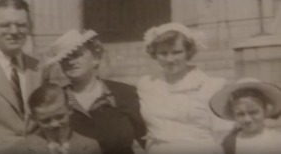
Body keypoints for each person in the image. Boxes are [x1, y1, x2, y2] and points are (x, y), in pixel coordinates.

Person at [46, 29, 147, 154]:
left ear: (95, 57)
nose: (70, 62)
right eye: (65, 58)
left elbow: (148, 140)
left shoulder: (125, 94)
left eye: (77, 55)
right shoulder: (56, 100)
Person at [137, 23, 225, 154]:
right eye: (163, 53)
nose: (170, 59)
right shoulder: (146, 84)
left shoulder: (211, 85)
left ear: (189, 52)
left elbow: (223, 133)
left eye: (177, 52)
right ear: (154, 54)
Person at [0, 0, 44, 153]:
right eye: (5, 25)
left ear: (29, 27)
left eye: (21, 25)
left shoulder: (40, 68)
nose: (14, 31)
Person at [209, 78, 281, 154]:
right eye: (240, 114)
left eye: (253, 112)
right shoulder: (229, 144)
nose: (247, 119)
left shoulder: (276, 140)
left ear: (265, 110)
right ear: (233, 115)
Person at [26, 82, 101, 154]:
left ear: (70, 109)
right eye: (46, 120)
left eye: (60, 117)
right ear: (34, 118)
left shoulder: (91, 147)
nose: (54, 124)